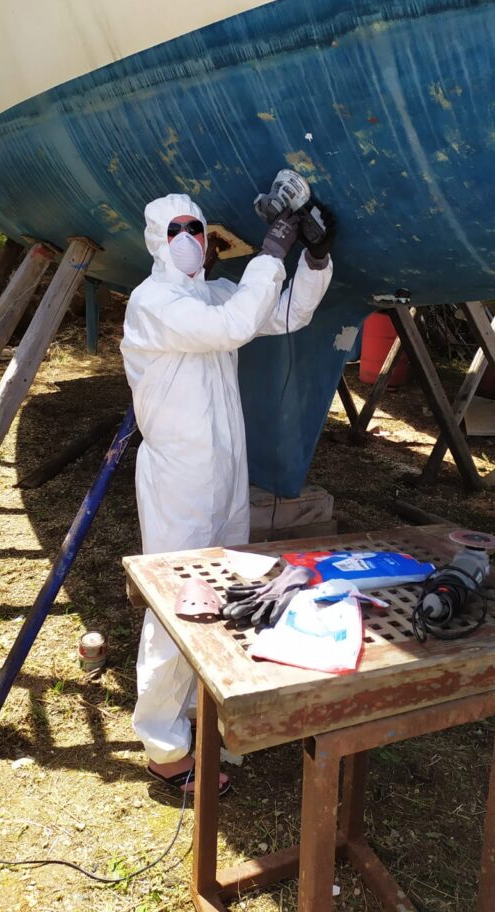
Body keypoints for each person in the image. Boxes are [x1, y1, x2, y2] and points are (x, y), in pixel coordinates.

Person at [120, 191, 333, 794]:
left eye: (197, 227)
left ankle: (202, 712)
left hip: (224, 469)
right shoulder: (152, 301)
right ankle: (163, 747)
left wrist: (315, 259)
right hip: (178, 477)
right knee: (176, 605)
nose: (190, 238)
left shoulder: (210, 294)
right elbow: (235, 325)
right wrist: (271, 251)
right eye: (177, 229)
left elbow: (283, 314)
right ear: (158, 240)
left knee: (228, 590)